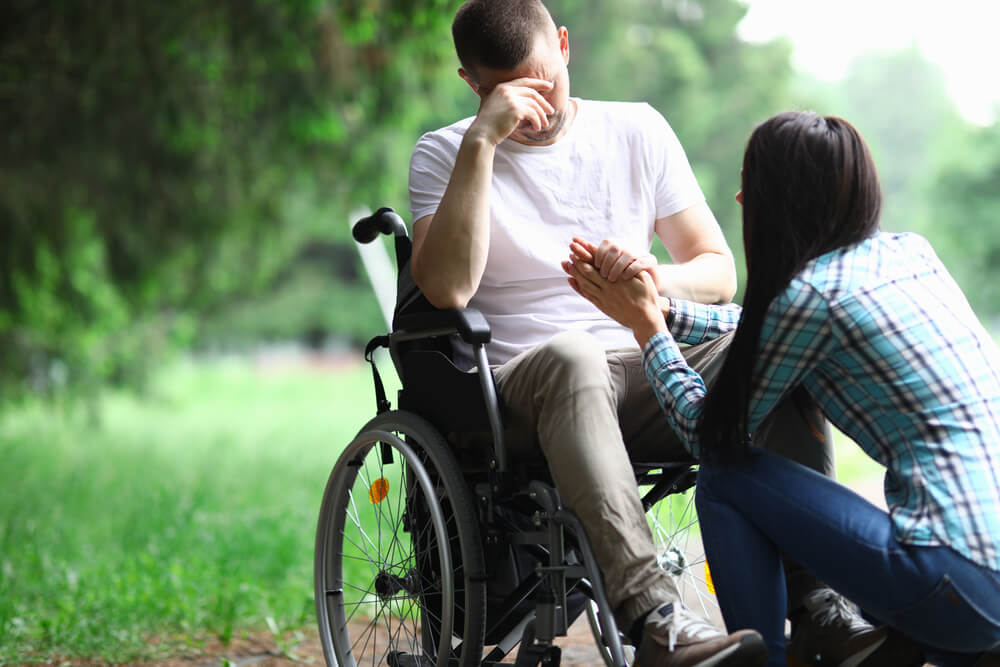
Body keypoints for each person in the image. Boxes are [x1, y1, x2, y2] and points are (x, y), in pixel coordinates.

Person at [409, 2, 885, 664]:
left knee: (771, 342)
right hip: (528, 387)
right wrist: (482, 143)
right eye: (506, 93)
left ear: (566, 47)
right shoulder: (445, 153)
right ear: (473, 84)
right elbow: (448, 289)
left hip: (649, 360)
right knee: (575, 355)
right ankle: (656, 620)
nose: (534, 109)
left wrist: (654, 279)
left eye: (544, 84)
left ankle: (817, 608)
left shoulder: (635, 129)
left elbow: (718, 273)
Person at [563, 110, 1000, 666]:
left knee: (723, 474)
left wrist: (647, 331)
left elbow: (705, 433)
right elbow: (765, 331)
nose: (743, 198)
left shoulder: (811, 297)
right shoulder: (909, 253)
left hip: (951, 580)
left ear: (784, 199)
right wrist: (663, 310)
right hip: (986, 581)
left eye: (755, 182)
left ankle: (764, 658)